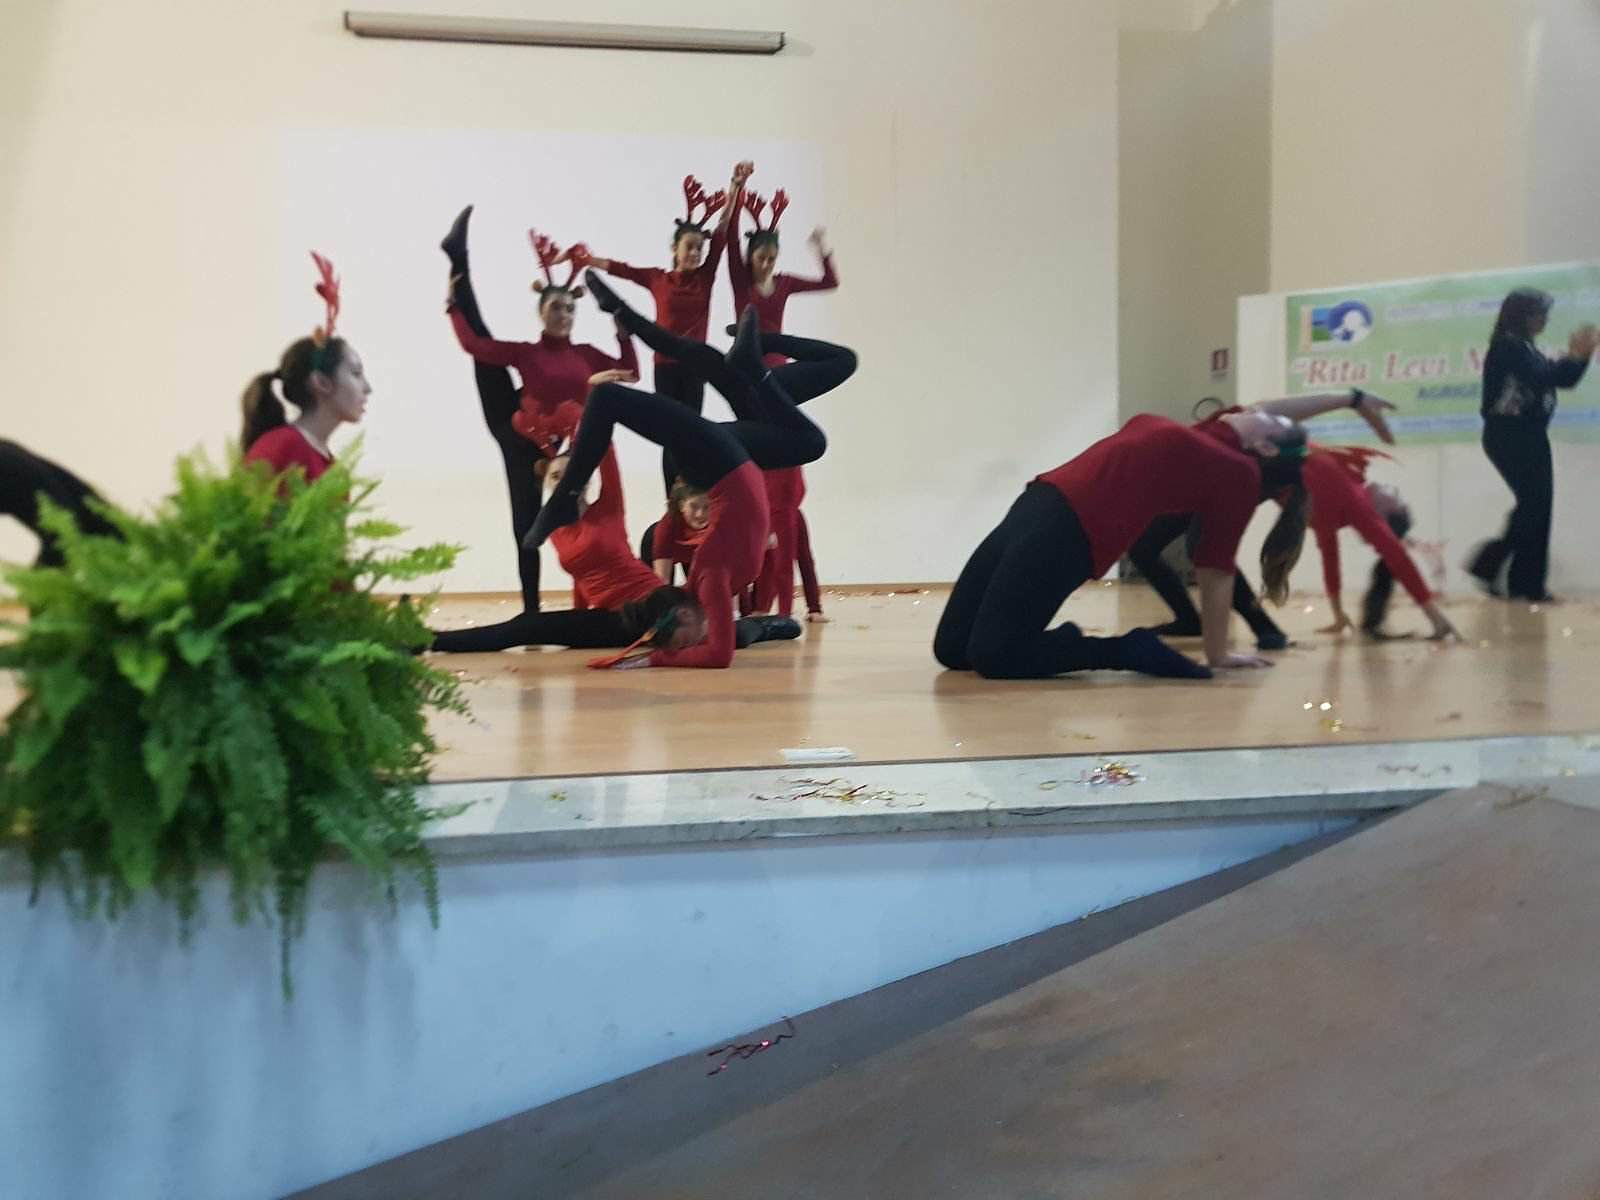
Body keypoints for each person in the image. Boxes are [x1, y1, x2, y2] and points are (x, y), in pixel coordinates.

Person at [933, 391, 1397, 680]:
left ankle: (1125, 650)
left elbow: (1215, 569)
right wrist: (1352, 399)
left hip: (1076, 532)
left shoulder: (1236, 474)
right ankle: (1062, 644)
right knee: (953, 649)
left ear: (1265, 447)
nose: (1265, 410)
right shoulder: (1220, 432)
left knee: (996, 657)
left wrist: (1218, 653)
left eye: (1275, 422)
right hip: (1039, 501)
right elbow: (1275, 408)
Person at [525, 277, 852, 668]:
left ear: (682, 612)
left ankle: (625, 314)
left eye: (684, 639)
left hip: (723, 462)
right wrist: (654, 657)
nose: (691, 640)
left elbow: (716, 654)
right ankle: (752, 362)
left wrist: (653, 658)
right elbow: (721, 650)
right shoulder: (709, 580)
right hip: (726, 460)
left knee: (623, 391)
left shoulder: (705, 579)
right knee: (811, 435)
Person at [439, 208, 637, 610]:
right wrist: (452, 306)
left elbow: (631, 372)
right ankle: (532, 610)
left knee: (577, 518)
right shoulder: (527, 352)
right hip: (517, 434)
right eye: (555, 308)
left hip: (562, 447)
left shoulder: (587, 355)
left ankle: (589, 599)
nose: (563, 315)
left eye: (569, 309)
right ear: (541, 312)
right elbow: (474, 345)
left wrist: (623, 333)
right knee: (525, 527)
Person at [429, 444, 797, 655]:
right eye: (556, 476)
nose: (564, 481)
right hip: (614, 619)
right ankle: (426, 640)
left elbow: (605, 450)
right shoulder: (551, 526)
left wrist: (588, 401)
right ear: (547, 483)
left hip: (651, 603)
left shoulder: (607, 508)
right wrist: (578, 619)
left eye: (572, 474)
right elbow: (583, 579)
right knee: (527, 627)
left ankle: (764, 627)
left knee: (704, 638)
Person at [570, 163, 751, 493]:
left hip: (695, 367)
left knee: (692, 432)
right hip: (665, 367)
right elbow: (623, 269)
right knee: (669, 433)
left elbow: (721, 234)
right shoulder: (658, 278)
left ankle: (690, 493)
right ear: (675, 249)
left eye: (698, 248)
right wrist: (590, 261)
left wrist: (735, 187)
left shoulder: (705, 277)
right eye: (689, 247)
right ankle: (672, 497)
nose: (695, 253)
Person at [726, 185, 839, 623]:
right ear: (750, 256)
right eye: (761, 256)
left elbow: (829, 282)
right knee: (759, 461)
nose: (767, 263)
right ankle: (754, 599)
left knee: (787, 472)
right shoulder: (741, 282)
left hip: (782, 380)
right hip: (750, 380)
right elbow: (729, 239)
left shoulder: (785, 283)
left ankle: (786, 606)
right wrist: (735, 192)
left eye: (773, 256)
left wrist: (822, 250)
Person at [1467, 287, 1598, 602]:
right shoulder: (1508, 346)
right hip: (1511, 434)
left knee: (1534, 506)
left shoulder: (1523, 347)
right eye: (1540, 313)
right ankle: (1522, 583)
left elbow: (1561, 378)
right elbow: (1550, 376)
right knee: (1535, 505)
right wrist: (1578, 355)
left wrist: (1579, 357)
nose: (1545, 319)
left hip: (1526, 435)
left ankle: (1497, 570)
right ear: (1522, 316)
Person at [242, 254, 369, 480]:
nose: (367, 388)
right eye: (356, 373)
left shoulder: (336, 472)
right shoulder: (280, 447)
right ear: (321, 382)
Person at [0, 440, 119, 566]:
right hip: (98, 537)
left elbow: (67, 526)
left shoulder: (5, 461)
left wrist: (41, 574)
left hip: (104, 547)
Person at [640, 478, 711, 585]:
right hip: (656, 544)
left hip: (692, 551)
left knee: (700, 586)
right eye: (693, 506)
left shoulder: (718, 523)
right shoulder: (667, 528)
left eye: (706, 507)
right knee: (659, 589)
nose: (700, 514)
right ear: (682, 506)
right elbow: (663, 581)